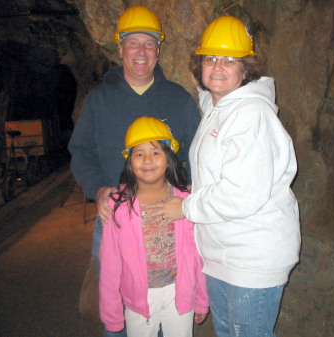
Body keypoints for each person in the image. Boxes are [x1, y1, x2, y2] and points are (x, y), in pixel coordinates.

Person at [145, 16, 301, 337]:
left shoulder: (250, 114)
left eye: (229, 61)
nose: (218, 67)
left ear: (246, 70)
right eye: (210, 59)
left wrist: (185, 208)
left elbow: (241, 193)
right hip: (224, 255)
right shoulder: (221, 107)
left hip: (251, 259)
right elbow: (209, 95)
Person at [67, 6, 201, 336]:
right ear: (120, 47)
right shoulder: (98, 100)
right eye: (133, 42)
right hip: (117, 221)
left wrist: (188, 204)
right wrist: (98, 189)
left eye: (149, 43)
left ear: (158, 50)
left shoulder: (178, 100)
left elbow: (199, 158)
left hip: (169, 222)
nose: (141, 51)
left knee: (171, 306)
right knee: (117, 305)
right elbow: (80, 152)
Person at [99, 117, 208, 337]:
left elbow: (198, 254)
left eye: (156, 152)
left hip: (180, 293)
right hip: (139, 299)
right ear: (130, 161)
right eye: (139, 153)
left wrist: (202, 299)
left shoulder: (185, 201)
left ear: (169, 159)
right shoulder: (118, 206)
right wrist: (111, 314)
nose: (147, 159)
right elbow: (110, 263)